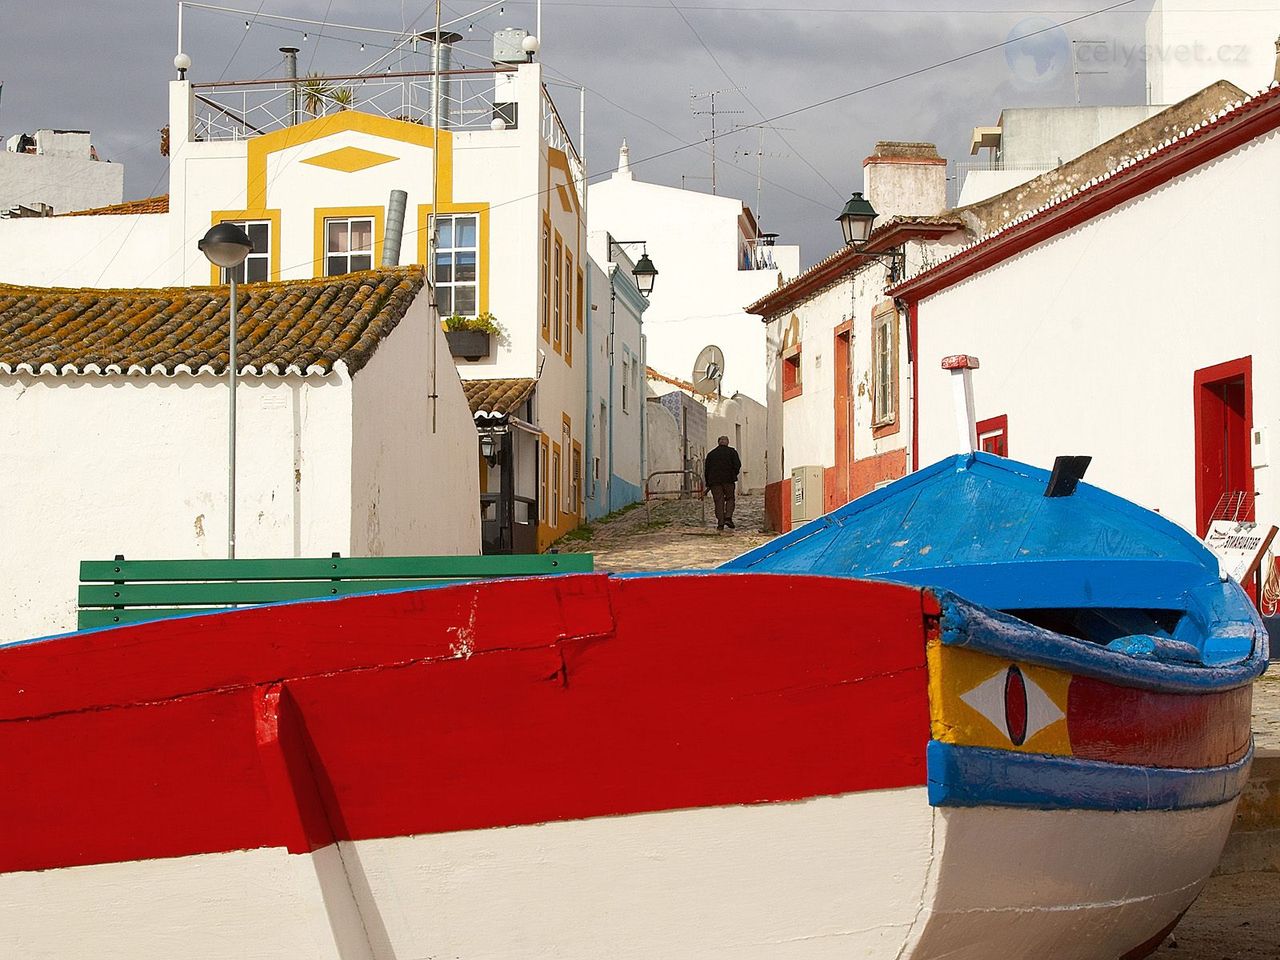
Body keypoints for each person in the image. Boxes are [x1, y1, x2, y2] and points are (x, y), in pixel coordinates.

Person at [703, 436, 742, 531]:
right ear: (727, 442)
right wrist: (733, 474)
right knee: (730, 498)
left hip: (715, 482)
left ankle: (720, 522)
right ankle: (728, 517)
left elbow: (707, 470)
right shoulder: (732, 452)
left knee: (718, 501)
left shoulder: (711, 454)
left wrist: (708, 483)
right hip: (728, 480)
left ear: (718, 442)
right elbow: (737, 465)